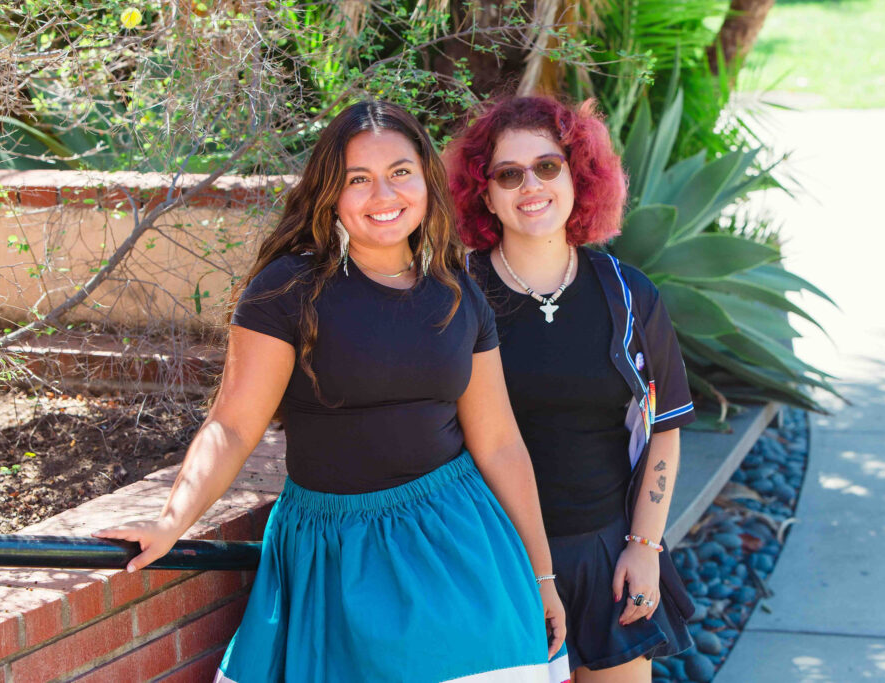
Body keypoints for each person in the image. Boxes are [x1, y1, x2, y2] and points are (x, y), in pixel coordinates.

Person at [95, 100, 567, 682]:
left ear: (426, 181)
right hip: (333, 553)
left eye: (400, 173)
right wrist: (171, 522)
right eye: (358, 180)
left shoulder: (458, 294)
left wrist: (541, 576)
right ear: (330, 193)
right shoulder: (287, 290)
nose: (384, 195)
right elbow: (234, 425)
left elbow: (498, 443)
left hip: (460, 546)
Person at [444, 96, 697, 682]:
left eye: (548, 166)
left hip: (606, 556)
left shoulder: (631, 297)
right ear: (484, 193)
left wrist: (644, 547)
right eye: (508, 174)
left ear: (580, 176)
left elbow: (664, 429)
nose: (530, 185)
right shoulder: (453, 297)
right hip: (494, 560)